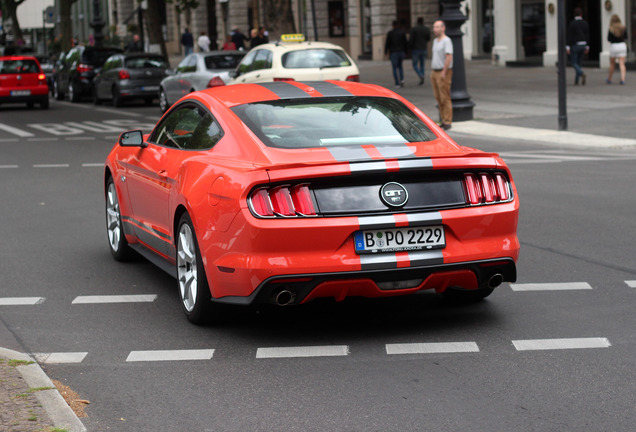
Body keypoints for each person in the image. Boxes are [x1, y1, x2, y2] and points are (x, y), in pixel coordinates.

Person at [430, 19, 453, 130]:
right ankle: (443, 119)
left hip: (443, 72)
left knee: (445, 97)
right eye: (434, 27)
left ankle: (448, 120)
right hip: (434, 71)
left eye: (437, 27)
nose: (435, 29)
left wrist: (444, 71)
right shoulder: (435, 41)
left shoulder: (446, 41)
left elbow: (449, 57)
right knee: (438, 97)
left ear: (443, 28)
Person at [566, 7, 589, 86]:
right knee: (579, 63)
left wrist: (568, 47)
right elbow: (587, 35)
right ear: (581, 14)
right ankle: (576, 81)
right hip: (583, 44)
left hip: (575, 45)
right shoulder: (585, 23)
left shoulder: (572, 24)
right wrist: (587, 46)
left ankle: (581, 73)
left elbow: (570, 36)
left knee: (573, 62)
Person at [384, 20, 408, 88]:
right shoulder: (402, 32)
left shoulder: (390, 33)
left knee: (394, 68)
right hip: (401, 52)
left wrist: (386, 51)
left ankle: (397, 83)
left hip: (393, 52)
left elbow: (387, 43)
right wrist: (406, 52)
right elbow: (405, 43)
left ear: (393, 25)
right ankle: (402, 79)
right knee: (400, 66)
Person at [606, 14, 627, 85]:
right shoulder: (623, 27)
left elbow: (609, 39)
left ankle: (609, 78)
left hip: (614, 46)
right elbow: (626, 37)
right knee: (622, 63)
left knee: (612, 64)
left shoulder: (611, 28)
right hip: (622, 45)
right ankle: (622, 79)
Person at [410, 17, 431, 86]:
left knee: (414, 64)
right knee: (422, 64)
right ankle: (422, 76)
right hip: (423, 48)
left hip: (416, 49)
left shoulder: (414, 29)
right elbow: (428, 38)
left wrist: (410, 48)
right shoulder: (426, 29)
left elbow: (411, 40)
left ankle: (420, 75)